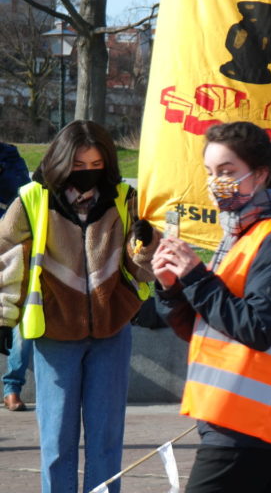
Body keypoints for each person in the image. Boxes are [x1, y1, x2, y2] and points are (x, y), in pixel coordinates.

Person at [153, 121, 271, 493]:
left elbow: (258, 327)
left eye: (227, 171)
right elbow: (207, 327)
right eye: (209, 172)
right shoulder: (240, 234)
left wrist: (197, 277)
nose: (215, 182)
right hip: (238, 418)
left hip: (251, 424)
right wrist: (171, 289)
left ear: (262, 174)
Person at [0, 121, 159, 493]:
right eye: (79, 166)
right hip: (54, 335)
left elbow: (142, 263)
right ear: (60, 161)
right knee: (57, 442)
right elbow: (7, 260)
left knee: (106, 441)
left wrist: (146, 253)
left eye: (96, 165)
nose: (88, 174)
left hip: (112, 331)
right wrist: (4, 317)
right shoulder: (32, 199)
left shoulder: (124, 198)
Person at [0, 142, 32, 412]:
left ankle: (12, 387)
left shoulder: (9, 155)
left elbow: (21, 193)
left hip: (9, 249)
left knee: (19, 320)